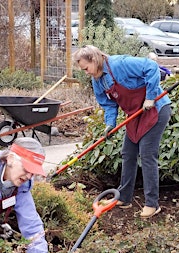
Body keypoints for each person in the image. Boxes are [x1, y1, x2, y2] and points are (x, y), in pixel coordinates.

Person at [72, 45, 172, 218]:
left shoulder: (119, 64)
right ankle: (124, 197)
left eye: (86, 68)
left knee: (147, 154)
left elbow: (151, 67)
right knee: (128, 153)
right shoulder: (98, 81)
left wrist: (149, 97)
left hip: (155, 108)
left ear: (94, 60)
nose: (86, 72)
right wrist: (109, 124)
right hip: (135, 115)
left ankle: (152, 204)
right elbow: (109, 104)